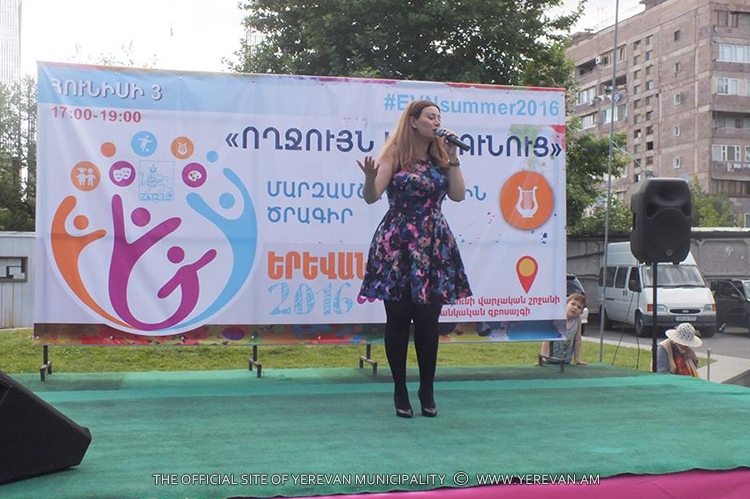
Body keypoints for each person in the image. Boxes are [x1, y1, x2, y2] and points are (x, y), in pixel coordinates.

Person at [357, 100, 472, 418]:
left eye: (439, 117)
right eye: (430, 116)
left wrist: (454, 157)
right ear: (413, 121)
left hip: (433, 244)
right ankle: (400, 389)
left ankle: (427, 388)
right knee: (397, 320)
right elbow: (371, 196)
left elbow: (458, 195)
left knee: (428, 322)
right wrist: (369, 177)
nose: (436, 122)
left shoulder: (441, 156)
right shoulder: (394, 153)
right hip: (398, 244)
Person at [538, 293, 587, 366]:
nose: (575, 308)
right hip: (549, 360)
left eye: (579, 307)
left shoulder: (578, 320)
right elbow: (547, 339)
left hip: (566, 361)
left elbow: (577, 339)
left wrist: (576, 359)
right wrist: (543, 357)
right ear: (566, 304)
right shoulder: (556, 319)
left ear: (581, 312)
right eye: (573, 304)